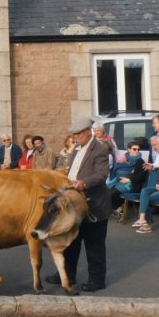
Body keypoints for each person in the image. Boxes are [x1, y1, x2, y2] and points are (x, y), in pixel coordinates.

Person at [47, 117, 111, 292]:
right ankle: (67, 274)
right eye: (74, 134)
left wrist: (83, 182)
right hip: (75, 205)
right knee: (71, 242)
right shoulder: (76, 149)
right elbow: (73, 171)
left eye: (78, 134)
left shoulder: (99, 149)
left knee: (94, 245)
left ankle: (97, 280)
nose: (75, 137)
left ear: (87, 132)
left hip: (94, 204)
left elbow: (101, 174)